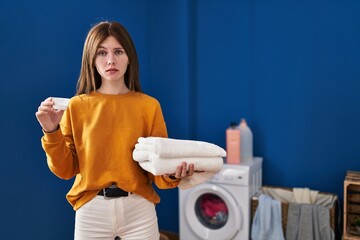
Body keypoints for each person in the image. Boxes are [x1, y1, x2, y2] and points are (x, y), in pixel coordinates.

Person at [35, 21, 194, 240]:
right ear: (91, 59)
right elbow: (65, 170)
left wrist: (174, 173)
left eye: (118, 51)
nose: (111, 60)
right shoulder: (76, 106)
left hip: (139, 208)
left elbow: (156, 170)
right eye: (102, 53)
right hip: (91, 211)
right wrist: (51, 131)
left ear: (129, 57)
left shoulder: (149, 106)